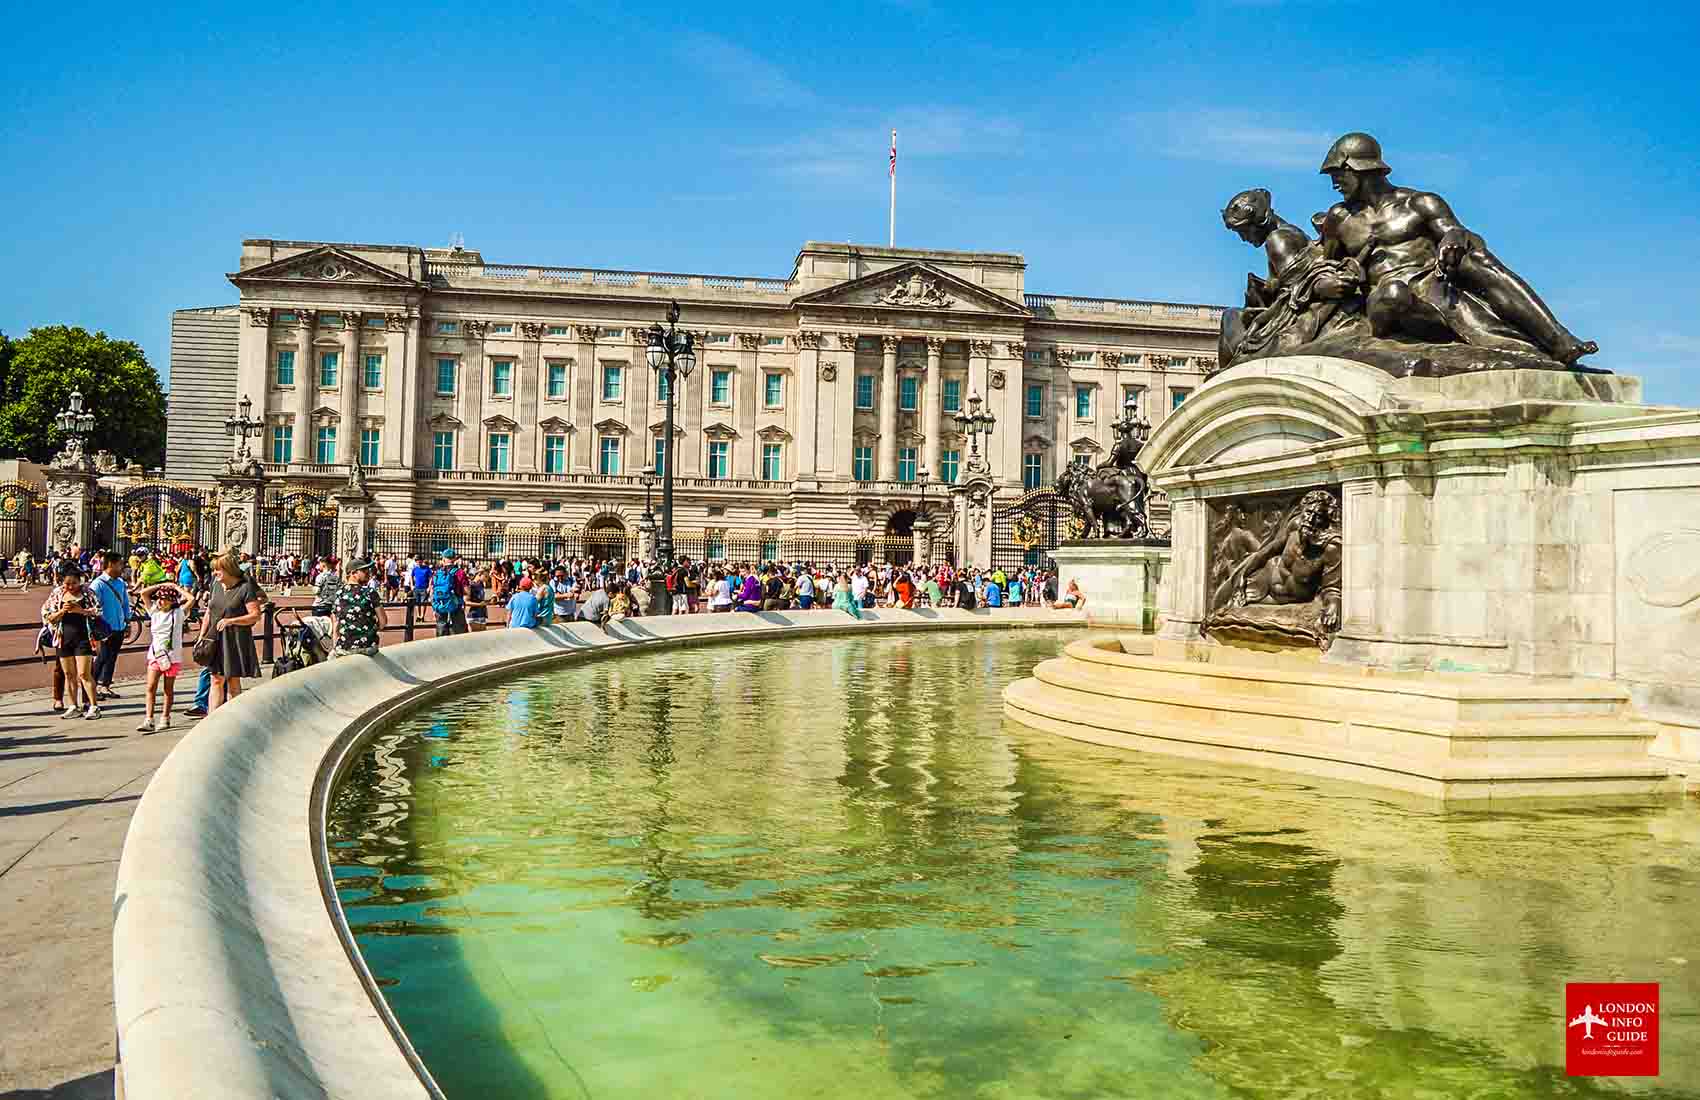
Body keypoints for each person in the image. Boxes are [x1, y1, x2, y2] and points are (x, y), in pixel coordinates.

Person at [199, 553, 263, 713]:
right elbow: (209, 612)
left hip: (234, 638)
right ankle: (212, 718)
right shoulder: (215, 585)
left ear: (228, 569)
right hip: (215, 638)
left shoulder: (245, 587)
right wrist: (202, 636)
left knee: (233, 681)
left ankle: (232, 716)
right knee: (216, 679)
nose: (214, 573)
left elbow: (255, 615)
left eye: (218, 570)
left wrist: (232, 621)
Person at [43, 563, 101, 719]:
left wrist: (81, 611)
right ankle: (73, 705)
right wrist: (62, 611)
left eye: (74, 583)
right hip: (64, 638)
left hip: (83, 638)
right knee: (69, 674)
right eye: (67, 583)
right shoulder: (57, 594)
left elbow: (98, 611)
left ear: (79, 581)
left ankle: (93, 706)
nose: (70, 587)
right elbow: (47, 615)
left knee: (84, 674)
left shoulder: (87, 593)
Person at [135, 582, 185, 731]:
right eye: (159, 598)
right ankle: (149, 719)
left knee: (168, 689)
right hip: (156, 655)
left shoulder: (178, 613)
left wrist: (176, 587)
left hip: (172, 657)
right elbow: (143, 593)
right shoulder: (154, 611)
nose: (161, 601)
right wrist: (162, 585)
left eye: (164, 599)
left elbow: (191, 599)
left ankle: (165, 717)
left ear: (172, 601)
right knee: (150, 687)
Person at [88, 551, 129, 700]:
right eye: (120, 564)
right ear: (111, 564)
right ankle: (91, 688)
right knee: (102, 657)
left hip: (119, 626)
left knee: (112, 657)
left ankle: (105, 686)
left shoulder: (120, 583)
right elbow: (93, 606)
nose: (122, 567)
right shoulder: (97, 584)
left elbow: (125, 603)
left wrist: (127, 621)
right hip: (104, 628)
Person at [331, 560, 386, 657]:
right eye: (364, 571)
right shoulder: (370, 593)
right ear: (353, 573)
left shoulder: (339, 593)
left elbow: (336, 626)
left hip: (344, 648)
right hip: (367, 647)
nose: (368, 573)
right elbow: (383, 622)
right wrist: (371, 629)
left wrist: (335, 647)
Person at [430, 550, 468, 636]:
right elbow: (467, 592)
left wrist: (435, 607)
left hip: (440, 605)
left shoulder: (437, 573)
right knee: (458, 634)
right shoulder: (460, 573)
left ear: (443, 559)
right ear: (454, 559)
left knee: (441, 632)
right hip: (456, 605)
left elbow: (432, 591)